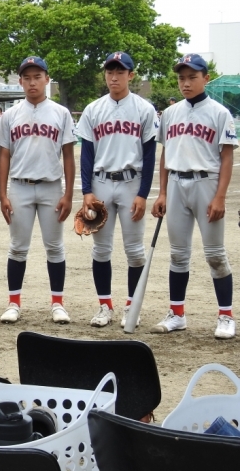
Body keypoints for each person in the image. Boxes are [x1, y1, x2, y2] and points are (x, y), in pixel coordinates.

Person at [151, 54, 237, 339]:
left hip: (206, 183)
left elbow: (227, 158)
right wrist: (162, 192)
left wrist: (220, 196)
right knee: (178, 254)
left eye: (192, 77)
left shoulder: (219, 113)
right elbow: (166, 155)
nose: (185, 83)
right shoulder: (170, 113)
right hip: (176, 183)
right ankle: (177, 314)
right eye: (181, 78)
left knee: (215, 255)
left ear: (205, 78)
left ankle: (226, 316)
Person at [75, 52, 158, 328]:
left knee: (135, 251)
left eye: (120, 72)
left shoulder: (144, 109)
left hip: (131, 182)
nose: (114, 77)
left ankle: (131, 308)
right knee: (101, 250)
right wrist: (87, 191)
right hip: (100, 182)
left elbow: (149, 155)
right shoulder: (93, 109)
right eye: (110, 71)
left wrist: (143, 194)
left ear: (130, 75)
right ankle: (104, 306)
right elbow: (87, 153)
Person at [0, 56, 76, 324]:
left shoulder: (60, 113)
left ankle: (58, 303)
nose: (32, 82)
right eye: (27, 77)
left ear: (47, 79)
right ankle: (13, 303)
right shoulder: (10, 115)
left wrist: (68, 194)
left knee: (55, 247)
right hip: (20, 186)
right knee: (18, 248)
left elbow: (68, 155)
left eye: (37, 77)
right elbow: (4, 155)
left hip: (51, 186)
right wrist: (3, 194)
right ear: (20, 81)